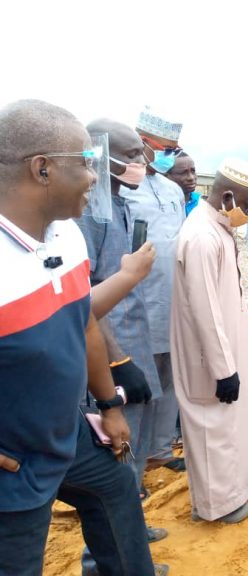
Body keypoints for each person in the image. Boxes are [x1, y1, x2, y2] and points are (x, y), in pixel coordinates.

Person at [0, 99, 162, 576]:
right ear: (42, 169)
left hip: (66, 433)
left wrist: (109, 405)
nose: (95, 176)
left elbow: (83, 322)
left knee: (115, 489)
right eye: (86, 162)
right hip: (14, 461)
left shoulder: (66, 236)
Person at [171, 158, 248, 524]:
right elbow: (204, 310)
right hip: (207, 354)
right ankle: (216, 506)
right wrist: (222, 368)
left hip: (226, 345)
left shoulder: (218, 227)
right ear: (228, 196)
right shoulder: (201, 235)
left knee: (230, 422)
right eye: (246, 205)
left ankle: (232, 492)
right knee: (211, 427)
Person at [75, 120, 167, 506]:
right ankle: (107, 559)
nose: (141, 163)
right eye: (131, 155)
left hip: (136, 343)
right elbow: (85, 302)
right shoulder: (89, 215)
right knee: (116, 450)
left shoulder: (118, 205)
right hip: (111, 355)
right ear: (102, 154)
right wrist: (118, 362)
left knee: (136, 446)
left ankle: (132, 531)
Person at [121, 109, 188, 480]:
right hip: (138, 304)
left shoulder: (172, 189)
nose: (169, 156)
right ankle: (132, 465)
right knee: (139, 388)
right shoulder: (124, 187)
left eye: (174, 150)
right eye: (164, 148)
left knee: (169, 382)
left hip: (172, 300)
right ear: (143, 142)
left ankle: (160, 450)